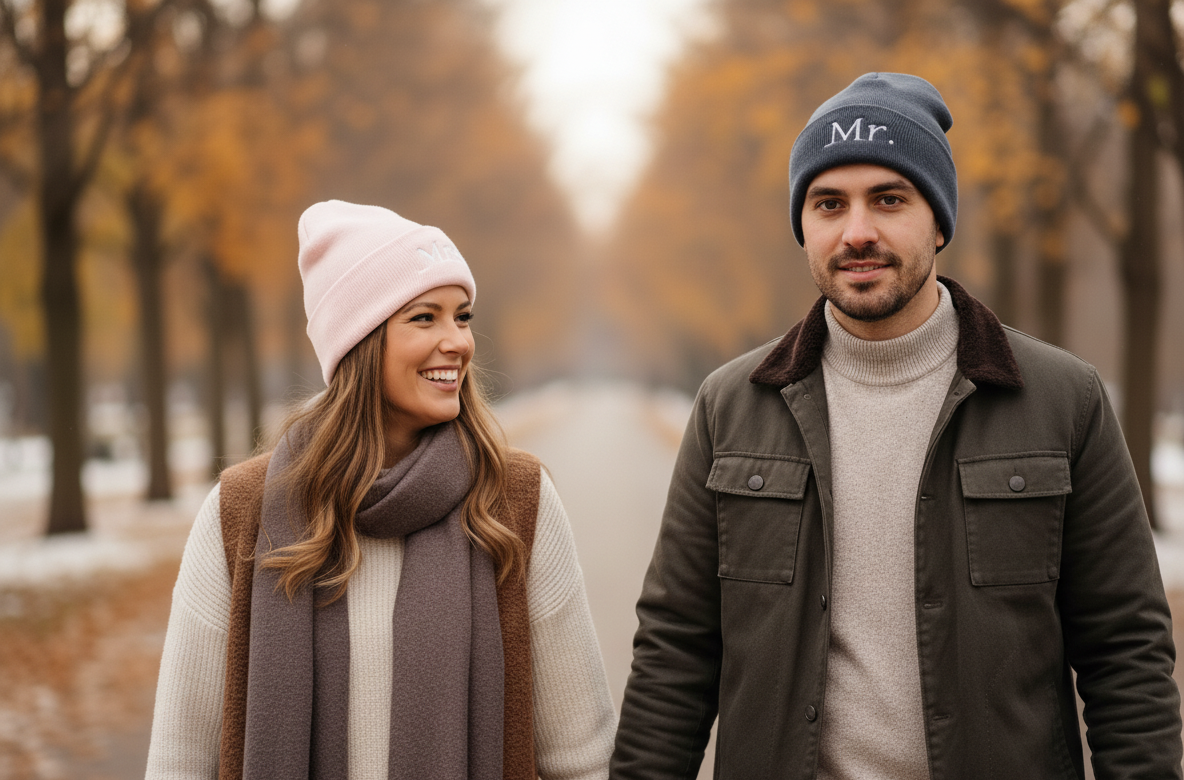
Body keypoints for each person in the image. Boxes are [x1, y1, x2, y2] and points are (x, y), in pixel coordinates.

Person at [610, 73, 1182, 779]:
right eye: (828, 204)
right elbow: (676, 652)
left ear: (939, 219)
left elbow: (1125, 652)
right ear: (803, 226)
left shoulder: (1065, 400)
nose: (857, 232)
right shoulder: (731, 406)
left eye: (889, 198)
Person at [146, 200, 616, 780]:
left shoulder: (517, 503)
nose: (458, 342)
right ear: (360, 341)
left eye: (462, 316)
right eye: (425, 318)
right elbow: (179, 762)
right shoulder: (240, 512)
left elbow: (583, 759)